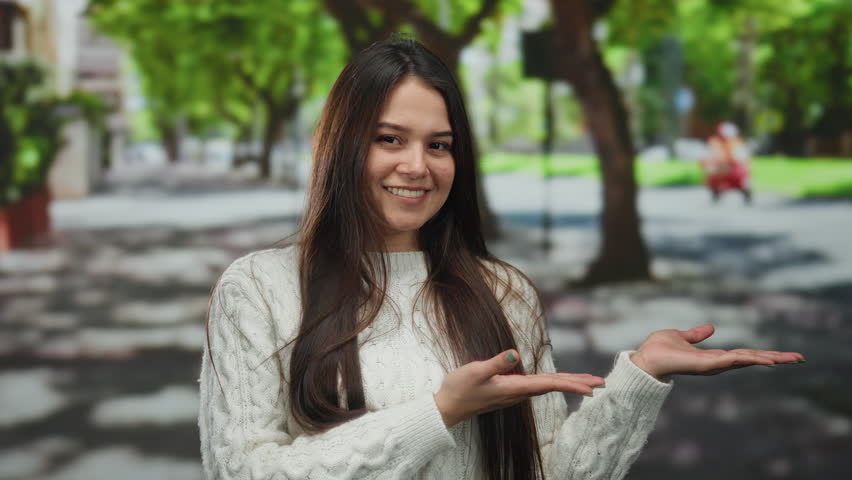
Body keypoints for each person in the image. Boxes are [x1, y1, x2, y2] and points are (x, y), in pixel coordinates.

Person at [199, 37, 804, 479]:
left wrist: (640, 377)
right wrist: (437, 413)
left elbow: (550, 471)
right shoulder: (260, 288)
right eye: (389, 139)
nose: (418, 165)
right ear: (338, 147)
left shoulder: (504, 290)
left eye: (439, 145)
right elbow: (243, 471)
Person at [701, 121, 753, 203]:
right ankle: (716, 192)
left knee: (744, 177)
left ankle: (746, 193)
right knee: (711, 172)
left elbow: (742, 158)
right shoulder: (714, 142)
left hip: (734, 169)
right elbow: (708, 157)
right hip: (720, 168)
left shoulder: (736, 142)